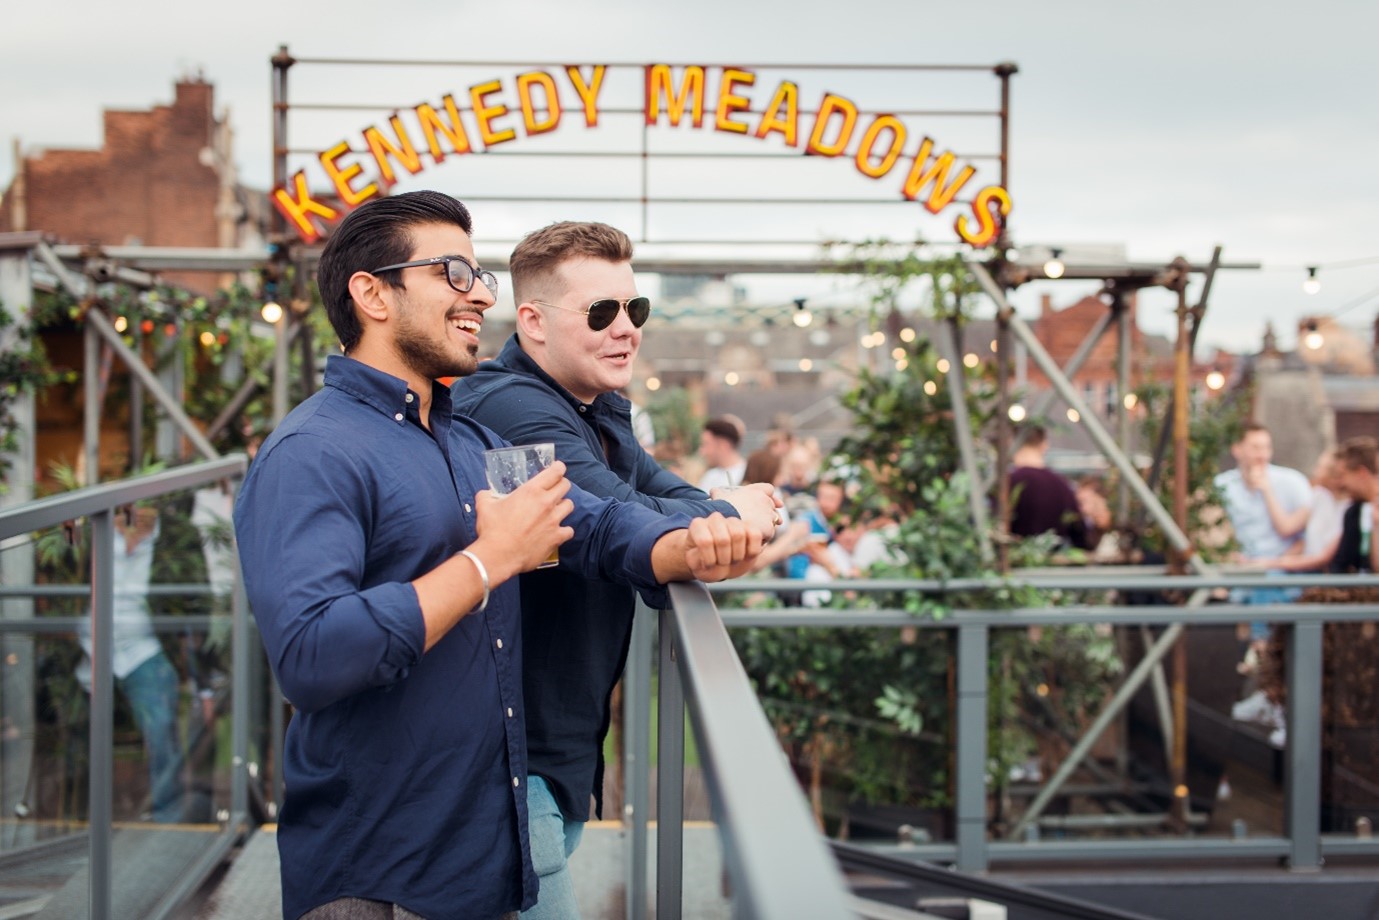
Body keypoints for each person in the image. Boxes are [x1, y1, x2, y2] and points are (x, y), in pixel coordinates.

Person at [233, 193, 765, 920]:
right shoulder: (312, 452)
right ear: (372, 294)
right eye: (453, 272)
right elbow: (313, 654)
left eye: (477, 273)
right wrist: (488, 562)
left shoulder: (468, 442)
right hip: (377, 874)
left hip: (479, 851)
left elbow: (599, 522)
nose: (481, 293)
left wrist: (697, 542)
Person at [450, 220, 778, 919]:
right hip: (508, 757)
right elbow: (622, 517)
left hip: (553, 746)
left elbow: (660, 494)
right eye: (601, 312)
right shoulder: (510, 407)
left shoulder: (594, 407)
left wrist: (713, 509)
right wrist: (727, 511)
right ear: (532, 322)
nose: (626, 328)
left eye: (636, 310)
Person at [78, 503, 185, 823]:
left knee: (161, 731)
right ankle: (86, 818)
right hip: (94, 650)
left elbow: (187, 600)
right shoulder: (96, 531)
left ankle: (168, 818)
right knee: (81, 737)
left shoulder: (170, 541)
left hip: (144, 651)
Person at [1213, 423, 1312, 619]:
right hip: (1237, 570)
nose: (1262, 454)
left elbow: (1295, 534)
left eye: (1266, 447)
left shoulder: (1292, 481)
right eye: (1255, 447)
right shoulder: (1222, 485)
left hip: (1281, 571)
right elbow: (1214, 533)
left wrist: (1267, 491)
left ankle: (1259, 644)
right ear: (1237, 450)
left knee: (1263, 588)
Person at [1008, 426, 1091, 549]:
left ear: (1011, 442)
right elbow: (1079, 535)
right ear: (1044, 445)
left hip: (1012, 563)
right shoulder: (1062, 485)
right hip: (1054, 564)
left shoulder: (1006, 483)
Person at [1329, 436, 1379, 573]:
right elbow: (1340, 564)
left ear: (1361, 473)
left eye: (1343, 475)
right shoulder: (1353, 513)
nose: (1341, 483)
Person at [697, 417, 747, 491]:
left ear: (723, 445)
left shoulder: (748, 475)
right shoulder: (709, 477)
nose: (701, 451)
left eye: (706, 444)